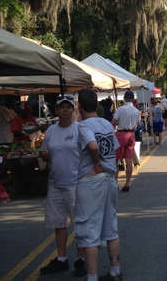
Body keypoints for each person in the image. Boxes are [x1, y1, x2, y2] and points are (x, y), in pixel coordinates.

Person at [75, 88, 122, 281]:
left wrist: (96, 162)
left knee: (89, 232)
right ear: (96, 105)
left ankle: (92, 277)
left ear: (79, 106)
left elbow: (93, 146)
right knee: (111, 228)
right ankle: (115, 270)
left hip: (92, 180)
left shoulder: (84, 126)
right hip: (109, 179)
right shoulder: (106, 124)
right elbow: (114, 149)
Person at [38, 95, 86, 277]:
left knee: (79, 223)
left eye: (68, 106)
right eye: (61, 107)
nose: (65, 110)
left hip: (75, 183)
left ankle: (80, 259)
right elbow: (47, 154)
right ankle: (61, 259)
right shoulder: (50, 131)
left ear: (73, 110)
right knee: (59, 223)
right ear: (56, 110)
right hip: (55, 183)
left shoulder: (80, 129)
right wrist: (44, 156)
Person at [112, 90, 141, 192]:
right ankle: (127, 183)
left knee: (116, 160)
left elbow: (113, 123)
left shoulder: (120, 109)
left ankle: (115, 183)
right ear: (133, 99)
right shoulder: (137, 111)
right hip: (131, 134)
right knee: (129, 160)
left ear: (124, 98)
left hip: (120, 134)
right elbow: (138, 125)